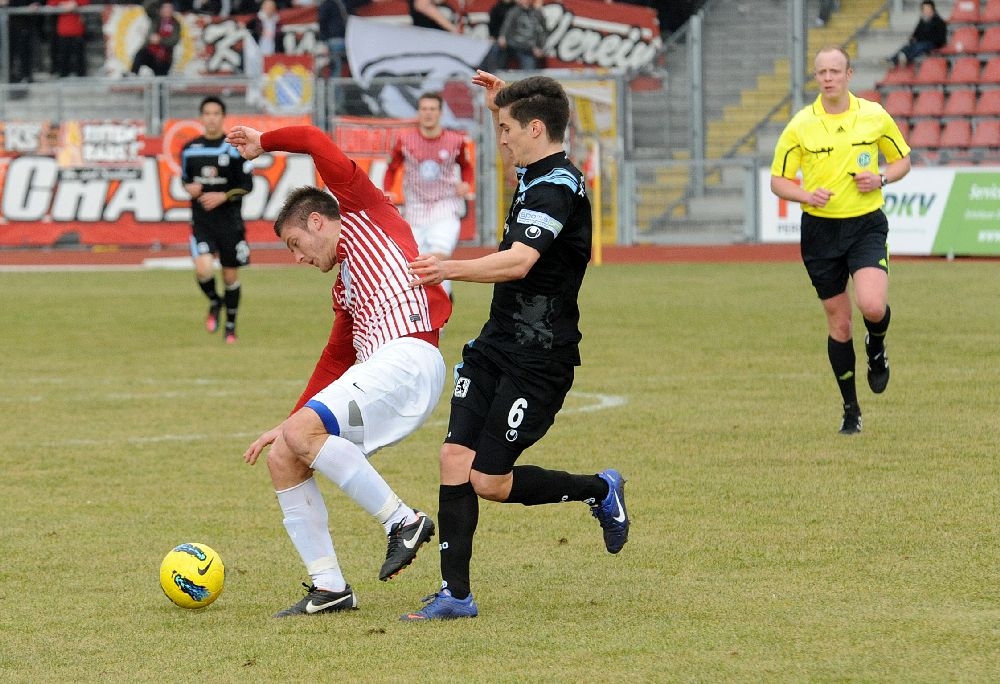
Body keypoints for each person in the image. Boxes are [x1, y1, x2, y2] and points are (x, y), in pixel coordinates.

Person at [401, 71, 630, 621]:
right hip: (496, 342)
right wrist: (499, 103)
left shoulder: (558, 186)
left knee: (489, 481)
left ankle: (599, 489)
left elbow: (520, 261)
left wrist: (446, 268)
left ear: (535, 129)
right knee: (453, 457)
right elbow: (523, 130)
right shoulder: (534, 168)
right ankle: (456, 595)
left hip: (540, 354)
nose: (500, 139)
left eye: (507, 129)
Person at [225, 122, 452, 617]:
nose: (297, 258)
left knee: (301, 434)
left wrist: (263, 142)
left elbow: (312, 138)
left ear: (317, 221)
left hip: (409, 355)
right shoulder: (345, 285)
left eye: (295, 243)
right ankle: (330, 587)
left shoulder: (364, 209)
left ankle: (402, 521)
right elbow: (334, 359)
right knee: (285, 455)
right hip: (389, 372)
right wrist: (289, 421)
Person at [770, 46, 911, 435]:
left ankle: (877, 347)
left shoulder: (874, 115)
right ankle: (851, 410)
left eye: (835, 71)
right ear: (816, 77)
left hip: (866, 225)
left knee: (872, 305)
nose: (828, 78)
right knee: (840, 323)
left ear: (849, 75)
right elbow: (778, 181)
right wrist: (806, 194)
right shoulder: (801, 125)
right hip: (820, 232)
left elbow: (902, 161)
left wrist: (880, 178)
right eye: (822, 72)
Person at [382, 91, 474, 300]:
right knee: (415, 263)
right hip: (415, 211)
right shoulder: (404, 140)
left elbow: (466, 166)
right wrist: (387, 190)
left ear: (440, 113)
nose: (428, 113)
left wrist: (466, 184)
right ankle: (441, 296)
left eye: (432, 109)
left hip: (446, 207)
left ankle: (441, 301)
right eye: (424, 109)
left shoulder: (455, 141)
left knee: (437, 255)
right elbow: (391, 168)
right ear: (418, 112)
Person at [180, 96, 254, 344]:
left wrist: (223, 196)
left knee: (230, 277)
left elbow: (247, 185)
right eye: (207, 113)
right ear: (201, 118)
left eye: (216, 113)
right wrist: (188, 187)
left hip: (230, 224)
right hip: (202, 223)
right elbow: (185, 179)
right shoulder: (189, 149)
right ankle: (215, 301)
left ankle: (230, 327)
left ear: (223, 117)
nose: (211, 118)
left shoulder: (234, 148)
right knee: (203, 269)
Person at [131, 1, 182, 76]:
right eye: (165, 8)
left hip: (164, 59)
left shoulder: (176, 24)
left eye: (169, 8)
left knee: (161, 78)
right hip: (151, 54)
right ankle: (133, 74)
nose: (167, 10)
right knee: (140, 54)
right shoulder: (156, 18)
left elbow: (174, 40)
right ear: (161, 9)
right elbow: (147, 7)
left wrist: (160, 40)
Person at [888, 0, 947, 67]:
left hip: (933, 44)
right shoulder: (922, 21)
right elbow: (916, 33)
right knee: (906, 47)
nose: (926, 11)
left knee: (919, 46)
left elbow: (940, 39)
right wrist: (913, 38)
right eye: (924, 9)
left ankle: (905, 58)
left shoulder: (939, 22)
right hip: (922, 42)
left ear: (933, 9)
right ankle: (892, 60)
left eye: (928, 9)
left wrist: (924, 38)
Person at [496, 0, 547, 71]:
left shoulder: (537, 13)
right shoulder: (514, 11)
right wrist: (502, 36)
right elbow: (507, 25)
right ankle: (497, 72)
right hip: (512, 45)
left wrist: (540, 48)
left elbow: (542, 32)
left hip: (528, 49)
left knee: (529, 72)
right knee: (497, 49)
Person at [47, 0, 88, 77]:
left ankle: (80, 74)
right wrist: (61, 4)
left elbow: (85, 2)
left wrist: (75, 3)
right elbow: (51, 3)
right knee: (63, 55)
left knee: (79, 55)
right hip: (63, 28)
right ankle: (63, 72)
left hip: (77, 27)